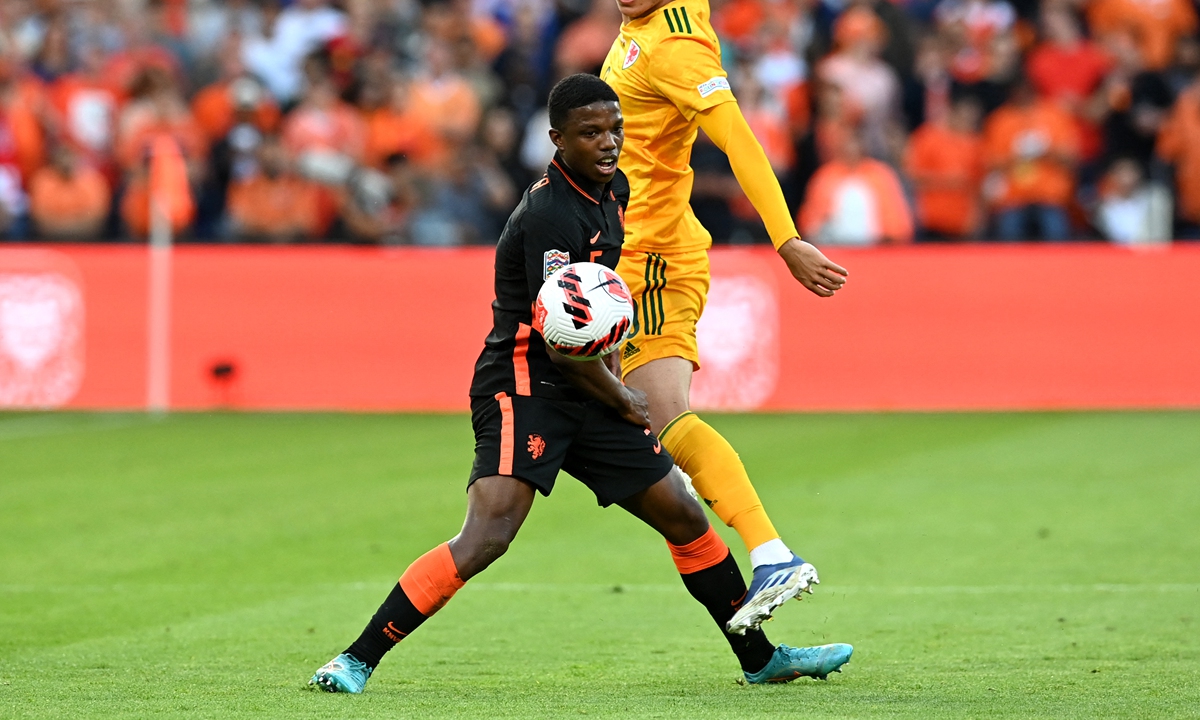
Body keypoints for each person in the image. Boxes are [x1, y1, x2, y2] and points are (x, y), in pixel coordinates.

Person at [307, 74, 852, 694]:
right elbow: (558, 339)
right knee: (488, 535)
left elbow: (597, 317)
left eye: (615, 128)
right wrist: (624, 398)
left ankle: (759, 659)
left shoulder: (613, 191)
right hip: (524, 384)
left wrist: (616, 381)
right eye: (590, 132)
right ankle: (354, 659)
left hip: (588, 384)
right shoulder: (548, 215)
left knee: (682, 512)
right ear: (556, 139)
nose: (608, 142)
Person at [600, 0, 848, 634]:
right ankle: (758, 613)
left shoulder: (677, 43)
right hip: (615, 254)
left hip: (653, 258)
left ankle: (771, 554)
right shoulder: (644, 25)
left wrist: (786, 237)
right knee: (640, 443)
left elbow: (737, 136)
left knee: (663, 417)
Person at [800, 129, 914, 245]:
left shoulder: (881, 175)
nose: (851, 150)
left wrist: (892, 235)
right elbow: (811, 221)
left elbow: (896, 218)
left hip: (876, 247)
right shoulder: (825, 177)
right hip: (835, 247)